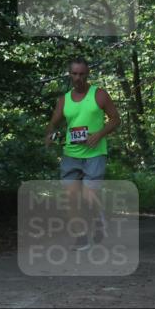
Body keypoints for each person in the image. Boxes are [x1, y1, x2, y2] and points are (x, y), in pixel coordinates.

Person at [44, 57, 120, 250]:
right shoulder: (65, 100)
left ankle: (98, 219)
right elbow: (54, 123)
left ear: (87, 75)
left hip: (95, 154)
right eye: (74, 74)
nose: (77, 78)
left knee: (88, 196)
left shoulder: (99, 94)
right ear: (70, 75)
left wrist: (99, 134)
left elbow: (115, 119)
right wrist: (50, 136)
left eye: (81, 74)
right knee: (70, 198)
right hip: (71, 154)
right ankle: (81, 237)